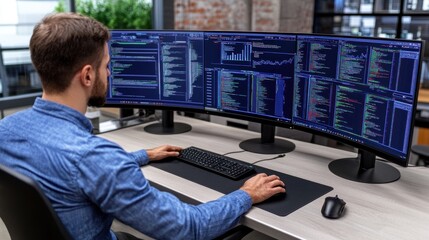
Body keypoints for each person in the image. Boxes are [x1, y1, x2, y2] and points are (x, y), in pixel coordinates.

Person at [0, 12, 285, 240]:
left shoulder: (6, 132)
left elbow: (74, 169)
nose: (109, 73)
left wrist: (143, 155)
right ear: (87, 76)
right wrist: (246, 194)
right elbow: (188, 229)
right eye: (106, 66)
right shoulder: (96, 158)